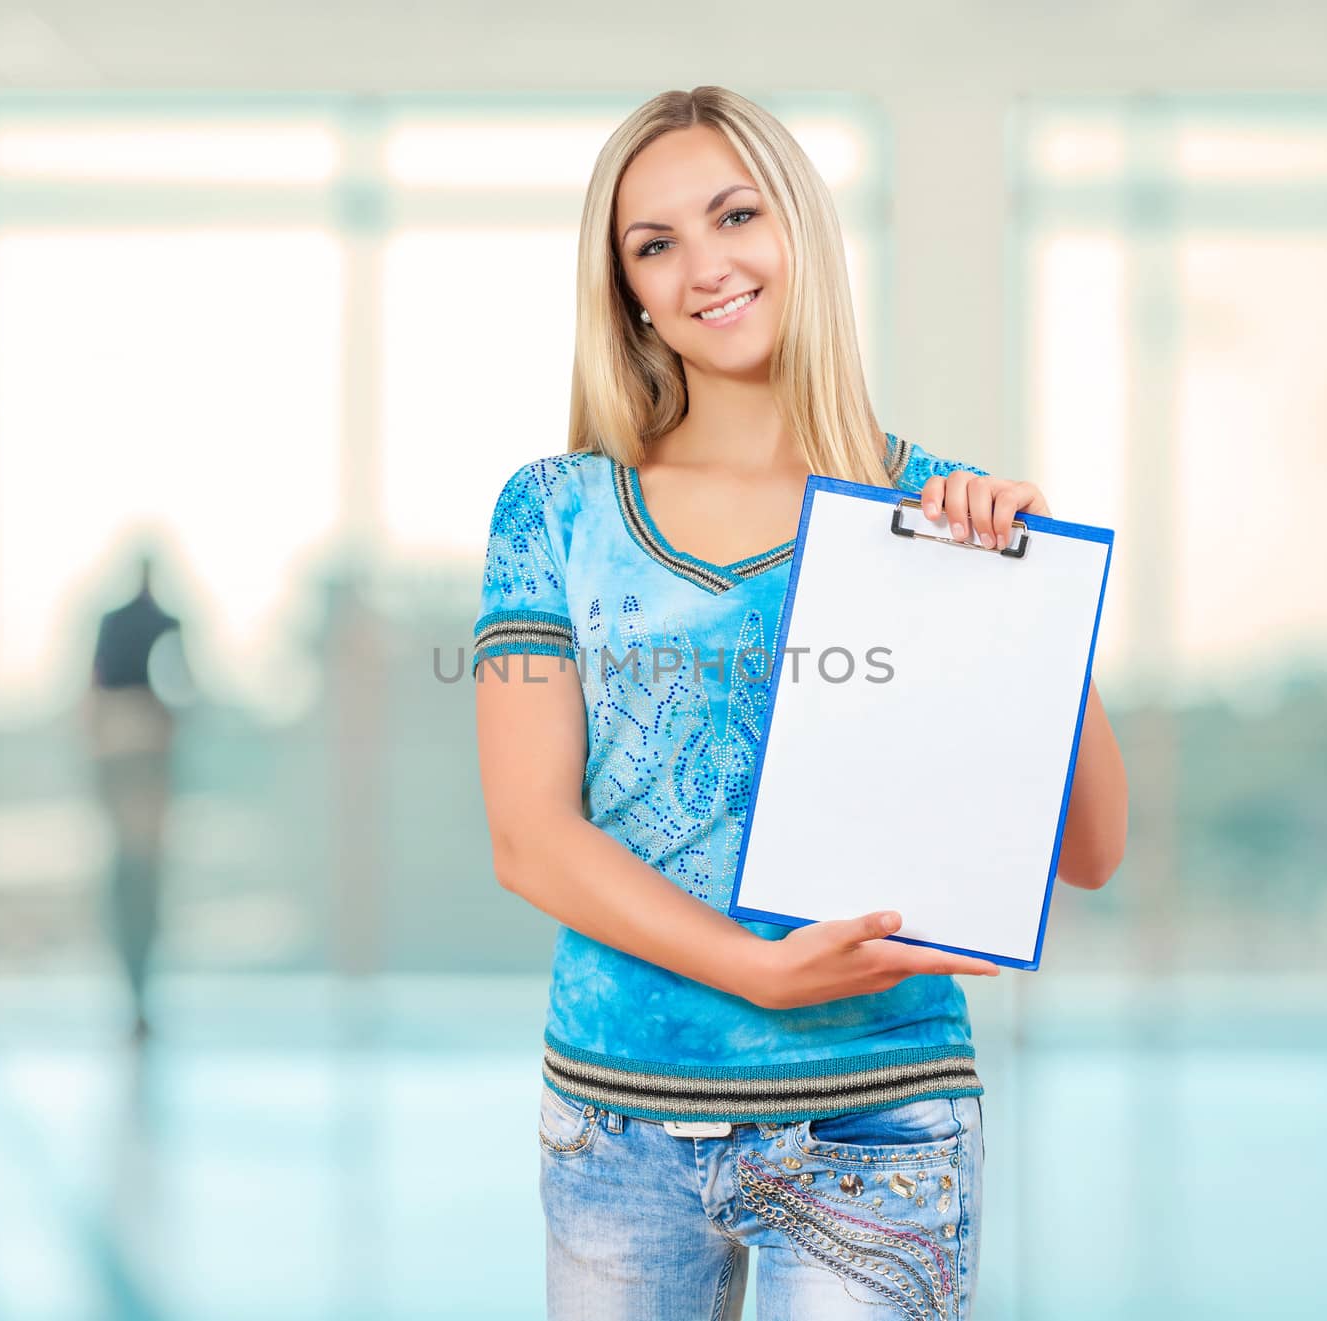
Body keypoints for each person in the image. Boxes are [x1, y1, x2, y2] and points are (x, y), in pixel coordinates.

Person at [471, 86, 1128, 1321]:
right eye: (653, 245)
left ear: (801, 234)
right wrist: (750, 971)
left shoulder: (941, 512)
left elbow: (1088, 851)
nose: (704, 267)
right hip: (617, 1120)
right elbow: (528, 834)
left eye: (734, 216)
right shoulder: (551, 510)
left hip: (883, 1115)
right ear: (627, 292)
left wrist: (1032, 599)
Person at [82, 548, 192, 1045]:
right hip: (138, 758)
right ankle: (136, 991)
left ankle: (138, 991)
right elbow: (183, 688)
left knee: (137, 879)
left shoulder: (132, 624)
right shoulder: (161, 623)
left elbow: (98, 686)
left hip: (126, 757)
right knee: (137, 879)